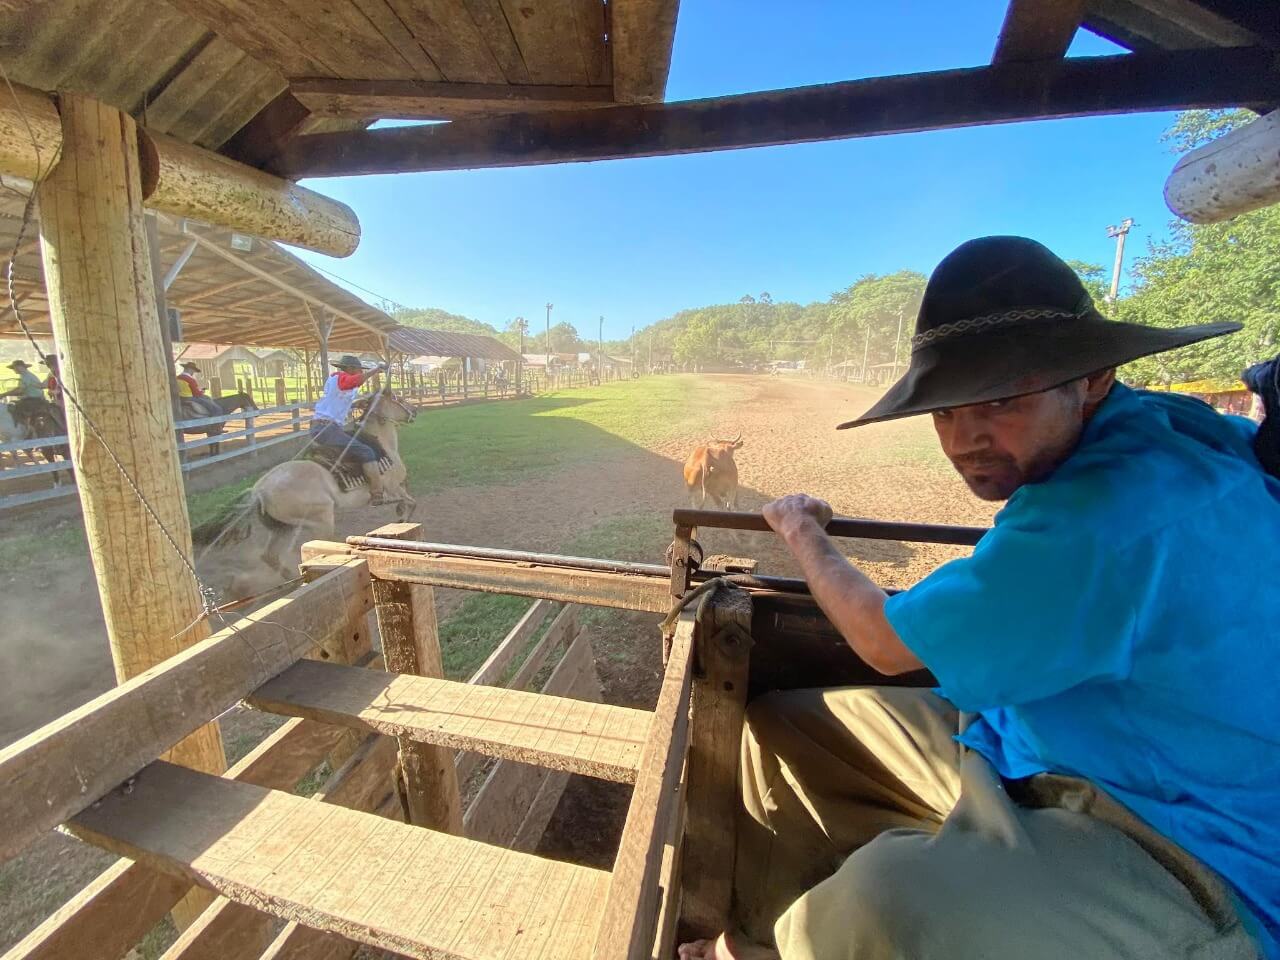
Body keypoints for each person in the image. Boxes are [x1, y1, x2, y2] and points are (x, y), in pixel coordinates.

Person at [682, 237, 1279, 960]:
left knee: (886, 896)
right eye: (943, 411)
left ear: (1090, 379)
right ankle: (758, 940)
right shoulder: (1167, 422)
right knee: (785, 727)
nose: (965, 440)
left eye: (999, 398)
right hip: (1051, 730)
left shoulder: (1097, 523)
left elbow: (879, 639)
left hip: (1194, 844)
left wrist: (801, 528)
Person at [310, 354, 390, 502]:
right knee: (366, 451)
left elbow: (336, 401)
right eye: (359, 370)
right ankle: (377, 494)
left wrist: (354, 404)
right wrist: (376, 369)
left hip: (325, 427)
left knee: (363, 441)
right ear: (350, 369)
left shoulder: (338, 382)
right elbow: (355, 381)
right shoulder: (341, 377)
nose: (360, 372)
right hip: (327, 429)